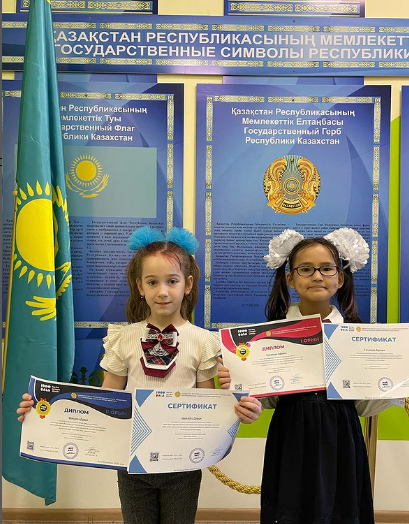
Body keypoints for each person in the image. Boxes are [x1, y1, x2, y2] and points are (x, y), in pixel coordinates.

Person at [17, 226, 261, 524]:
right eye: (152, 282)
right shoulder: (124, 338)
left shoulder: (203, 341)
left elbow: (207, 404)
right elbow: (103, 400)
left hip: (182, 462)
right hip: (131, 459)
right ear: (140, 286)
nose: (162, 291)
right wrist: (45, 411)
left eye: (172, 281)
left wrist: (240, 409)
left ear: (188, 284)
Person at [218, 227, 395, 524]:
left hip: (341, 437)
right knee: (290, 507)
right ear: (291, 278)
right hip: (291, 436)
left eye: (326, 268)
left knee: (340, 510)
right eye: (306, 269)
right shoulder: (270, 336)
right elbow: (268, 400)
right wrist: (240, 383)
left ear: (340, 278)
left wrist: (393, 381)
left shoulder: (355, 336)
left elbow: (364, 407)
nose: (317, 276)